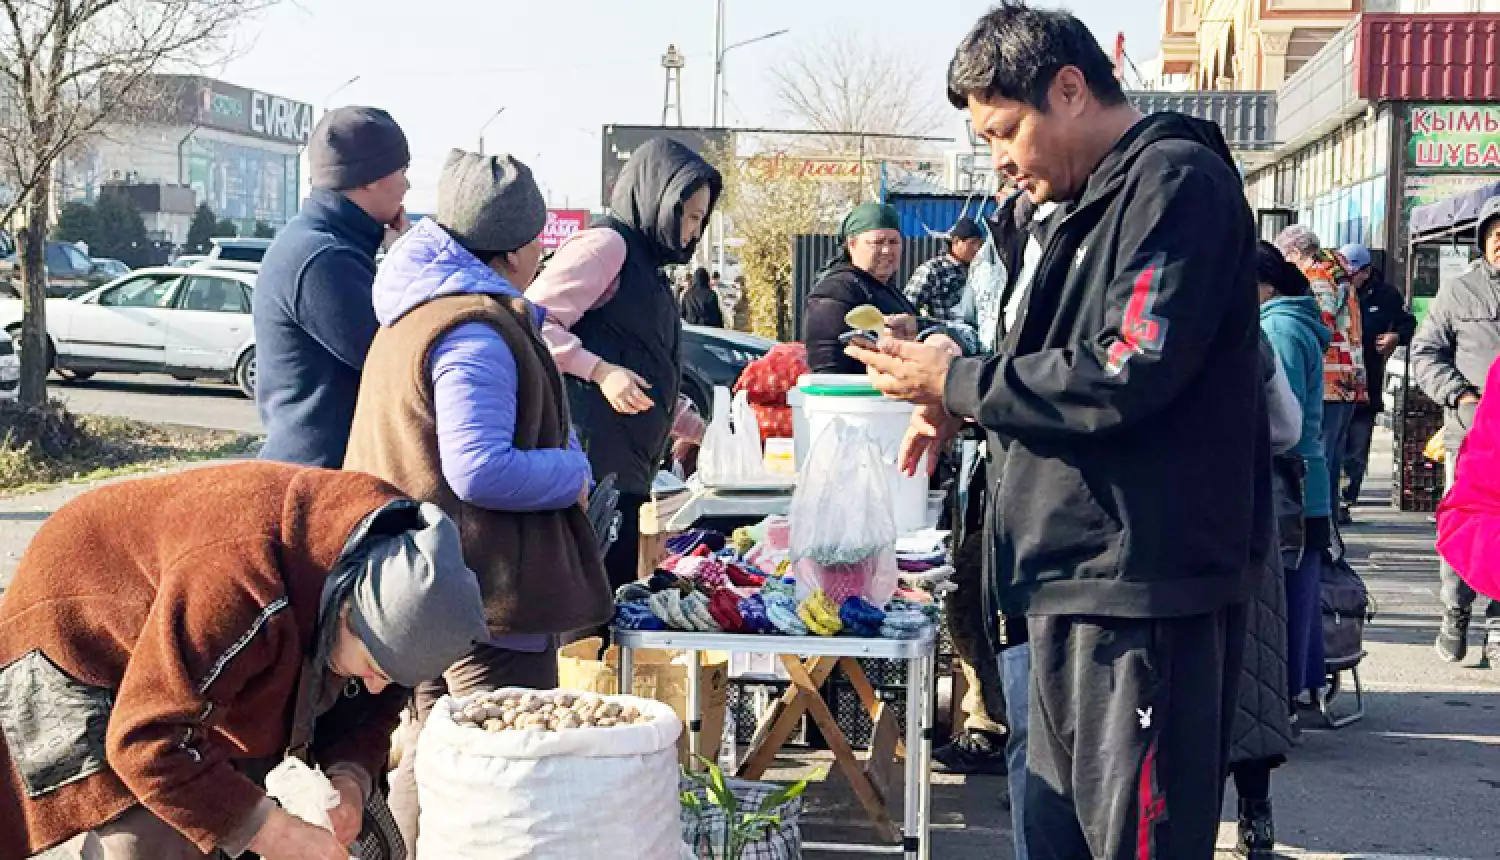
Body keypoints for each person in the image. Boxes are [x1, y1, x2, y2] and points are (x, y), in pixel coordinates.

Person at [848, 5, 1262, 856]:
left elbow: (1128, 367)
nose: (997, 159)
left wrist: (960, 380)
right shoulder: (1075, 209)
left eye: (1005, 131)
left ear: (1069, 89)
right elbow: (1049, 365)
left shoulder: (1173, 183)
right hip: (1061, 584)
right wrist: (957, 393)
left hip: (1138, 591)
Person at [0, 462, 488, 860]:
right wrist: (271, 831)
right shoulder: (239, 582)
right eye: (375, 668)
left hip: (208, 635)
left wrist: (351, 777)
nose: (379, 686)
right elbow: (145, 741)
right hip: (86, 623)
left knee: (233, 796)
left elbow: (377, 697)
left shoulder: (403, 569)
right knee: (152, 834)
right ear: (345, 610)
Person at [341, 150, 612, 853]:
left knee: (434, 755)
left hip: (419, 580)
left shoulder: (418, 308)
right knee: (506, 777)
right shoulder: (474, 329)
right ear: (520, 249)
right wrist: (571, 472)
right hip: (480, 592)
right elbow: (481, 469)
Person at [527, 137, 721, 590]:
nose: (693, 231)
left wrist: (695, 429)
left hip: (625, 475)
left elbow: (641, 368)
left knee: (609, 614)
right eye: (689, 217)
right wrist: (597, 369)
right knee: (586, 627)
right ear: (660, 202)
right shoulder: (606, 247)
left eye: (700, 219)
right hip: (590, 474)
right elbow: (528, 321)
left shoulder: (648, 267)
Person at [255, 106, 413, 467]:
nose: (406, 185)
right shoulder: (324, 260)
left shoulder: (323, 243)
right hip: (321, 485)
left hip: (324, 474)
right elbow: (400, 362)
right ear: (370, 177)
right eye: (402, 171)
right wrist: (407, 261)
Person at [1238, 242, 1328, 857]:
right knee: (1252, 671)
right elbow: (1287, 425)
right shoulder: (1257, 333)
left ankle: (1249, 812)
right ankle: (1255, 813)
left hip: (1241, 513)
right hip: (1251, 514)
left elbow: (1289, 430)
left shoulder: (1274, 333)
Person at [1411, 195, 1500, 664]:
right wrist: (1460, 395)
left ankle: (1497, 621)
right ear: (1484, 242)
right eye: (1496, 236)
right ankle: (1455, 610)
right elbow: (1425, 353)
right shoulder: (1458, 293)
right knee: (1464, 529)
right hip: (1471, 436)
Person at [1274, 226, 1367, 516]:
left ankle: (1320, 521)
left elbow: (1321, 322)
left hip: (1330, 378)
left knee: (1319, 455)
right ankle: (1330, 517)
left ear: (1297, 254)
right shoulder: (1340, 273)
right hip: (1346, 377)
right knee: (1331, 455)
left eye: (1286, 258)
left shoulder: (1318, 276)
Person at [1338, 243, 1416, 521]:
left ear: (1367, 271)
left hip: (1367, 384)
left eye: (1353, 273)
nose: (1347, 278)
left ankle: (1348, 494)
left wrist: (1396, 337)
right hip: (1337, 385)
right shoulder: (1331, 292)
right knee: (1334, 445)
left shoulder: (1386, 296)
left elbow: (1408, 324)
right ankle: (1337, 500)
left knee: (1356, 449)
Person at [904, 216, 986, 328]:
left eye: (980, 244)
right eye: (972, 243)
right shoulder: (933, 270)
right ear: (956, 242)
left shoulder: (980, 271)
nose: (977, 248)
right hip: (945, 338)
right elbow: (907, 307)